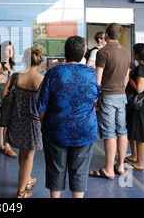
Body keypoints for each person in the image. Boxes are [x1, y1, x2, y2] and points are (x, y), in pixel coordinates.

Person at [38, 36, 100, 198]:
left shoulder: (53, 73)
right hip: (85, 130)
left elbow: (42, 105)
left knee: (55, 168)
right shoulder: (90, 73)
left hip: (56, 130)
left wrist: (47, 125)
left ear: (65, 52)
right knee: (79, 171)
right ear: (83, 53)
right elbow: (94, 97)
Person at [89, 23, 130, 180]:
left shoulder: (103, 52)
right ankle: (120, 166)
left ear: (106, 34)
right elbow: (126, 76)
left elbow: (98, 79)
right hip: (121, 95)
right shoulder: (126, 52)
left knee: (109, 133)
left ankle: (108, 169)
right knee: (122, 130)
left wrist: (94, 97)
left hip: (107, 97)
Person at [3, 47, 44, 198]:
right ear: (39, 60)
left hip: (16, 121)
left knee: (22, 152)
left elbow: (3, 95)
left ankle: (26, 179)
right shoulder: (41, 80)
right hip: (32, 123)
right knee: (28, 156)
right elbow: (45, 104)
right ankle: (21, 192)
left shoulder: (15, 76)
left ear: (24, 60)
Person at [124, 43, 144, 171]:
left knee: (140, 132)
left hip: (140, 105)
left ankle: (140, 162)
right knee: (132, 129)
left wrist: (129, 76)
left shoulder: (142, 68)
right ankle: (134, 155)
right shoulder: (143, 67)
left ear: (137, 54)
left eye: (133, 51)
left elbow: (139, 88)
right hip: (136, 105)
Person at [0, 41, 17, 157]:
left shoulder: (11, 63)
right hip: (1, 94)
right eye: (8, 50)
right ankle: (3, 145)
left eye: (11, 49)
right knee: (4, 120)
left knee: (5, 120)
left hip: (9, 94)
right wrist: (5, 71)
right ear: (2, 51)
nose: (10, 52)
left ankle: (1, 145)